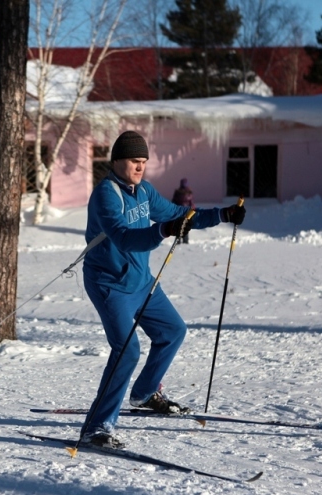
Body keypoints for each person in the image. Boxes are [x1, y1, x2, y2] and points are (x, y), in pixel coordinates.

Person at [81, 130, 245, 448]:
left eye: (143, 161)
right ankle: (96, 426)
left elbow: (178, 214)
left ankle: (144, 393)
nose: (140, 167)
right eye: (133, 161)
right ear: (116, 161)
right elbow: (124, 237)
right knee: (126, 350)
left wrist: (222, 215)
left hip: (141, 281)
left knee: (173, 331)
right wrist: (163, 230)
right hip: (109, 284)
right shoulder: (106, 195)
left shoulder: (145, 192)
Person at [172, 178, 195, 244]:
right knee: (185, 226)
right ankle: (185, 240)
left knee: (178, 226)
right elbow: (191, 203)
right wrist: (193, 210)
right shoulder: (189, 192)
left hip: (179, 211)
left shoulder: (178, 192)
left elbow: (174, 201)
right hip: (187, 212)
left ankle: (178, 240)